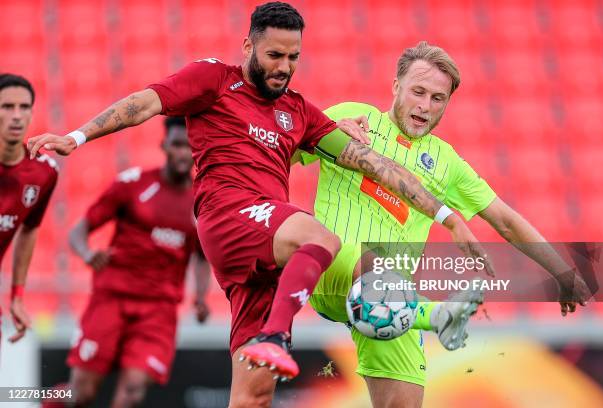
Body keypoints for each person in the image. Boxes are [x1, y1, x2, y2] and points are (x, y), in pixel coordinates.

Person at [27, 3, 487, 406]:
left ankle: (279, 339)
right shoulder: (213, 79)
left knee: (254, 395)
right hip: (228, 219)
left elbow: (377, 165)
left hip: (263, 251)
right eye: (274, 55)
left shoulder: (300, 112)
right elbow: (144, 103)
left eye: (293, 58)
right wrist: (76, 136)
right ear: (248, 45)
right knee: (322, 236)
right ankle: (277, 335)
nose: (284, 67)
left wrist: (447, 216)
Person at [298, 41, 591, 408]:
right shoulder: (354, 117)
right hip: (331, 268)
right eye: (417, 92)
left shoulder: (447, 163)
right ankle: (436, 314)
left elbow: (505, 220)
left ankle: (426, 314)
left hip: (394, 300)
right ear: (395, 86)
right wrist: (314, 135)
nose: (425, 106)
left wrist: (563, 273)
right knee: (373, 263)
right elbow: (284, 150)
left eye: (438, 98)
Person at [57, 117, 210, 407]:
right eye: (177, 145)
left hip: (158, 309)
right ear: (164, 146)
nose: (183, 153)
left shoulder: (201, 202)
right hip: (112, 298)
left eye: (189, 147)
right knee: (80, 395)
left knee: (133, 391)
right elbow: (79, 231)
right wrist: (88, 254)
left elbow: (202, 256)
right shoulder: (133, 184)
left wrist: (200, 297)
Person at [0, 73, 58, 343]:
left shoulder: (43, 173)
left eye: (24, 108)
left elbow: (29, 229)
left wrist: (17, 296)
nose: (16, 116)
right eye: (7, 106)